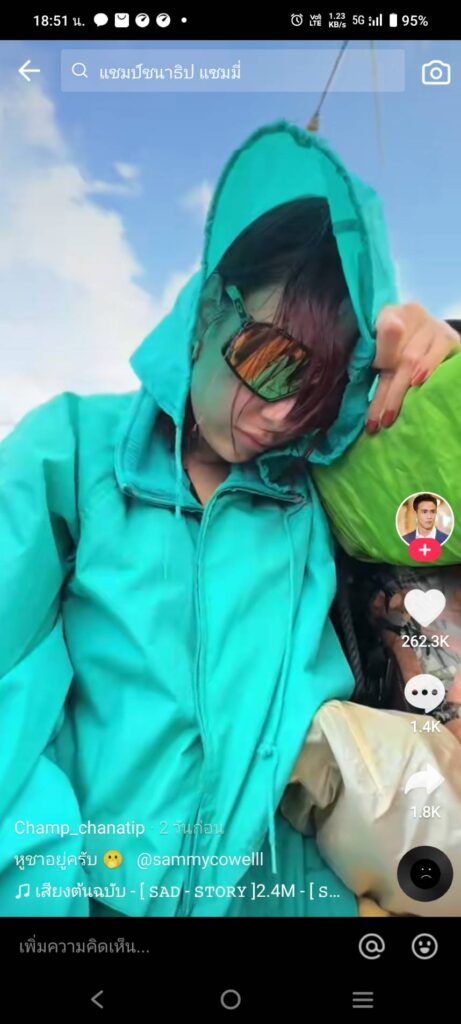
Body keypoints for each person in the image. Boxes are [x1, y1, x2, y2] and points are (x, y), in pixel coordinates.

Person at [1, 120, 460, 919]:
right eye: (270, 361)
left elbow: (430, 490)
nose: (281, 415)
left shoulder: (322, 487)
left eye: (317, 391)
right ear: (212, 305)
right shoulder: (69, 451)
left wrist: (445, 355)